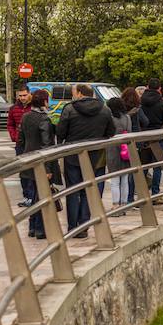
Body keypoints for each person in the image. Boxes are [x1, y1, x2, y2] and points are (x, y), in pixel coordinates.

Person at [56, 84, 115, 236]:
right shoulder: (105, 109)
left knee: (73, 191)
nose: (73, 95)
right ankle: (84, 226)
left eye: (74, 93)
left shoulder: (69, 109)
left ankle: (72, 227)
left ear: (80, 93)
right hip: (95, 157)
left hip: (73, 156)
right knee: (89, 191)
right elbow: (111, 132)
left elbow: (61, 132)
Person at [18, 89, 60, 238]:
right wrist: (48, 168)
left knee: (34, 193)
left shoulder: (26, 116)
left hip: (28, 158)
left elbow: (20, 140)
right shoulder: (44, 119)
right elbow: (46, 144)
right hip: (41, 162)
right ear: (44, 101)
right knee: (41, 194)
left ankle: (32, 227)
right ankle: (40, 229)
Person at [139, 79, 163, 197]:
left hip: (143, 136)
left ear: (147, 87)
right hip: (158, 136)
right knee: (158, 166)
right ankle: (156, 193)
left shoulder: (141, 101)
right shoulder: (162, 103)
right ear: (159, 89)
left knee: (144, 166)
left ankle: (142, 193)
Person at [8, 84, 34, 207]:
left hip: (32, 143)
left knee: (32, 170)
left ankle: (33, 196)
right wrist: (14, 136)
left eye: (24, 95)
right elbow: (10, 124)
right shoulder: (13, 108)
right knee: (23, 171)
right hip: (20, 144)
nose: (23, 98)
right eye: (20, 96)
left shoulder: (34, 107)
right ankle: (27, 196)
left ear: (29, 94)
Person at [105, 97, 132, 213]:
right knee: (125, 179)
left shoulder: (110, 118)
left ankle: (116, 205)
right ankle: (124, 204)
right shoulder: (127, 117)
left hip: (112, 150)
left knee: (115, 180)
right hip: (126, 149)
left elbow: (107, 133)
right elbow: (130, 132)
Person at [121, 86, 147, 202]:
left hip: (122, 141)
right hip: (135, 142)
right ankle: (130, 198)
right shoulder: (137, 109)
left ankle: (122, 199)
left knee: (123, 172)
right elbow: (145, 121)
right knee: (134, 172)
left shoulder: (121, 109)